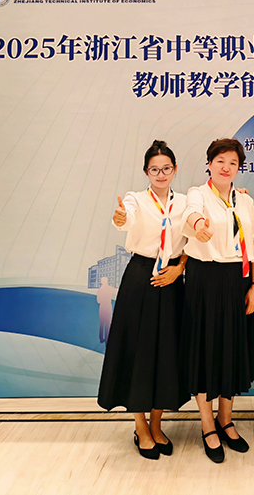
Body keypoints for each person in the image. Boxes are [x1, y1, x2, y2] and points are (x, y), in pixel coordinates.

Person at [98, 140, 189, 460]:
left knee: (166, 353)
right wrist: (120, 217)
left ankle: (157, 424)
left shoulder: (185, 202)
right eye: (154, 169)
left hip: (172, 280)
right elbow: (125, 219)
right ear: (146, 172)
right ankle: (140, 426)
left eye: (166, 168)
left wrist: (179, 269)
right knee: (137, 351)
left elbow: (193, 240)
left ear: (174, 169)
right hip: (141, 278)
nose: (161, 174)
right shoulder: (136, 199)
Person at [180, 138, 254, 463]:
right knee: (206, 350)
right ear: (209, 164)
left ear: (239, 168)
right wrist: (199, 225)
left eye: (232, 163)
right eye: (220, 161)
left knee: (231, 349)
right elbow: (191, 213)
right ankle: (207, 424)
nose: (226, 167)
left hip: (237, 281)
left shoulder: (245, 201)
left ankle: (226, 420)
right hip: (204, 279)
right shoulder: (198, 194)